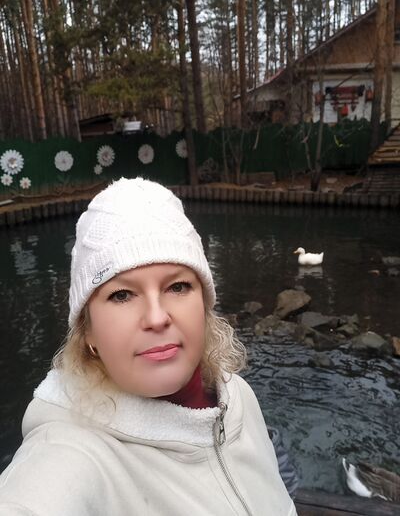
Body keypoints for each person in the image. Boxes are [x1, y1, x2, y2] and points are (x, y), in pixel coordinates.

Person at [0, 177, 297, 516]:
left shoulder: (238, 396)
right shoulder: (69, 452)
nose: (157, 318)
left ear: (204, 305)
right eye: (121, 295)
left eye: (178, 287)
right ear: (88, 331)